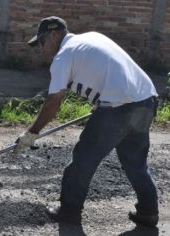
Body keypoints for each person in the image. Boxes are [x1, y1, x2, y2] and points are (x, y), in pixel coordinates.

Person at [13, 16, 159, 227]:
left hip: (118, 108)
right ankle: (148, 212)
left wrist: (32, 132)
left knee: (83, 160)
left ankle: (69, 212)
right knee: (135, 163)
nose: (41, 49)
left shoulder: (64, 55)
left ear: (54, 34)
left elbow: (54, 101)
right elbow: (110, 71)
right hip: (146, 101)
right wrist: (102, 102)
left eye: (42, 42)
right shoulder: (91, 37)